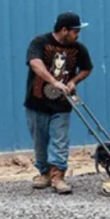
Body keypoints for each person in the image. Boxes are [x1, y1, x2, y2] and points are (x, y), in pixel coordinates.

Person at [24, 12, 93, 194]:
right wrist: (54, 81)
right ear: (64, 30)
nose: (78, 34)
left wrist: (72, 82)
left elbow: (87, 68)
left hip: (62, 104)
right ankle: (44, 173)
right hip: (37, 102)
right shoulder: (40, 42)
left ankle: (58, 176)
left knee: (60, 140)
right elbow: (35, 63)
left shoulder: (78, 49)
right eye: (75, 31)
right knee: (40, 141)